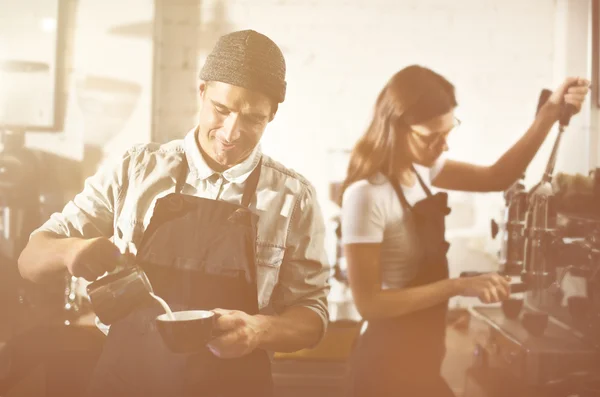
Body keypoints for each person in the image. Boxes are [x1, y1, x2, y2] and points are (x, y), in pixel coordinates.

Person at [18, 29, 330, 397]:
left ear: (272, 115)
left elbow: (313, 316)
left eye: (252, 119)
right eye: (221, 109)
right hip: (126, 384)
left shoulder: (294, 198)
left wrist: (259, 330)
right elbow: (30, 259)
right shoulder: (136, 169)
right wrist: (72, 251)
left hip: (234, 386)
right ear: (201, 92)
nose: (231, 132)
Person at [340, 65, 589, 397]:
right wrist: (459, 285)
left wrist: (550, 111)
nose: (444, 146)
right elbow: (369, 304)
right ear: (396, 128)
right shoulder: (366, 194)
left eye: (448, 131)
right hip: (385, 365)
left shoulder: (422, 171)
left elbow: (497, 177)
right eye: (432, 137)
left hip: (423, 358)